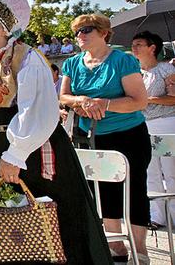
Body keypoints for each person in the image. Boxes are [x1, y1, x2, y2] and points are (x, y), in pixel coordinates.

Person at [0, 0, 112, 264]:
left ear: (5, 29)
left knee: (36, 223)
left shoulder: (27, 57)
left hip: (29, 153)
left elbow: (37, 111)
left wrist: (15, 155)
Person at [60, 13, 149, 262]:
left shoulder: (122, 61)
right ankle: (117, 247)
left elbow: (139, 101)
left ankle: (140, 252)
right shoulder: (72, 63)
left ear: (103, 32)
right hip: (91, 137)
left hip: (128, 135)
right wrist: (81, 101)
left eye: (87, 29)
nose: (81, 35)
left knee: (134, 192)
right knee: (103, 193)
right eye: (77, 31)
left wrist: (105, 103)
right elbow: (64, 96)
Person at [131, 30, 175, 228]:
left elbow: (173, 98)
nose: (134, 48)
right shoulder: (135, 72)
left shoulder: (166, 70)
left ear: (152, 48)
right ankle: (158, 216)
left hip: (165, 122)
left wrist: (146, 99)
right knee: (150, 172)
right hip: (142, 125)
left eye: (139, 44)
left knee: (171, 172)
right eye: (133, 44)